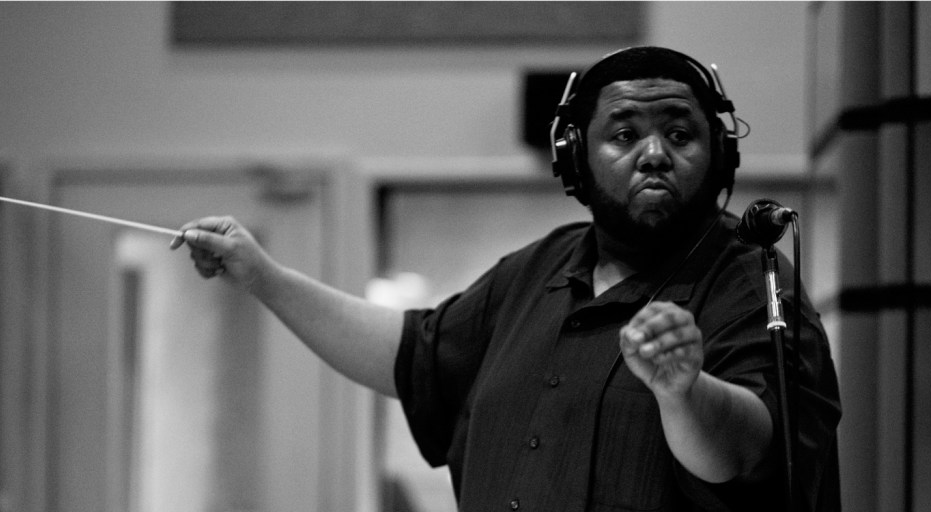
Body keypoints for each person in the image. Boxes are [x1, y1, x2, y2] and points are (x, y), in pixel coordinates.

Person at [171, 46, 841, 511]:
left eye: (680, 133)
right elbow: (414, 357)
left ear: (720, 154)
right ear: (574, 159)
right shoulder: (541, 268)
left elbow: (751, 452)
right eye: (623, 134)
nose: (654, 154)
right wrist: (264, 277)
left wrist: (685, 391)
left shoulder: (748, 280)